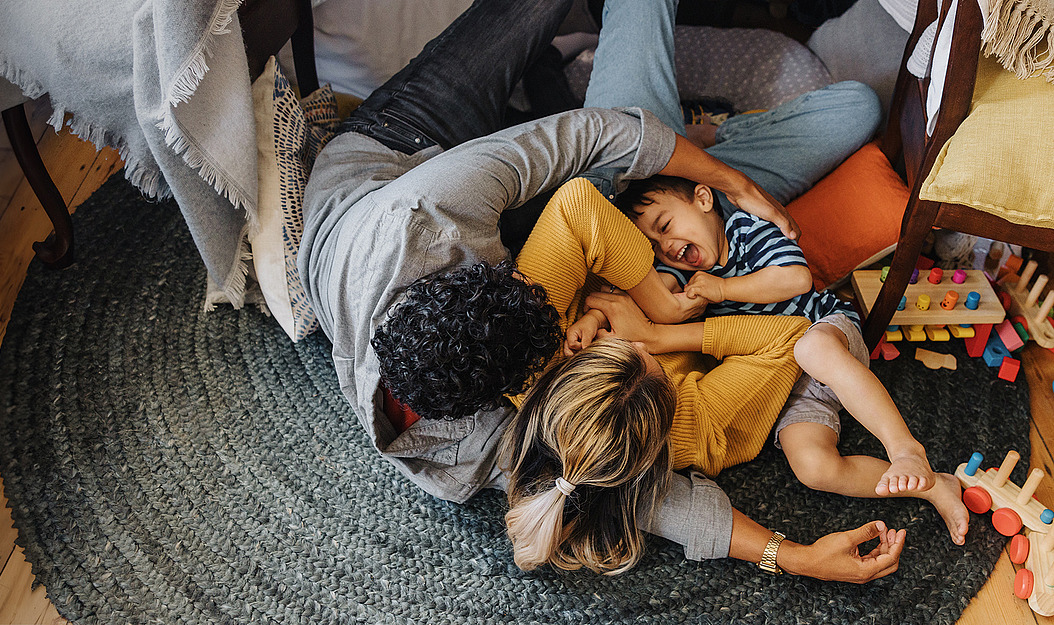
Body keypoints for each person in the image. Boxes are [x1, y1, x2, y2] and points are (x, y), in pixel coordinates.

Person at [299, 0, 903, 581]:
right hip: (649, 221)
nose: (579, 331)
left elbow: (583, 147)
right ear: (526, 394)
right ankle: (694, 135)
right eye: (574, 344)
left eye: (564, 321)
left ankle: (694, 140)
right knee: (856, 110)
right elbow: (646, 494)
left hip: (393, 154)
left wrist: (731, 186)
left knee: (543, 46)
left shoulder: (428, 216)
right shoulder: (493, 441)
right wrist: (791, 556)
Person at [609, 174, 969, 545]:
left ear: (703, 199)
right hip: (788, 386)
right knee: (815, 468)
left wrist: (722, 288)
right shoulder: (681, 273)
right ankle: (934, 487)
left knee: (811, 349)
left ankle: (905, 448)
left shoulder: (745, 230)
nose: (666, 246)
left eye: (665, 226)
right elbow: (650, 295)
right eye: (653, 246)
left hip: (825, 334)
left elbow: (795, 279)